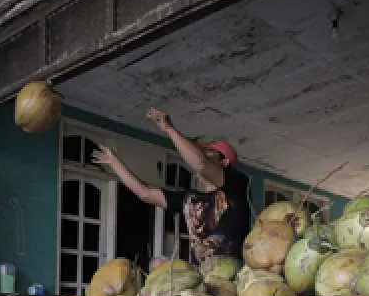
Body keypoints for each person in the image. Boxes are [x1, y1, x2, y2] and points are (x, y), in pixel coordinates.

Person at [91, 107, 252, 266]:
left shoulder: (236, 185)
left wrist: (168, 129)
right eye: (202, 153)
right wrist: (114, 162)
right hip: (204, 280)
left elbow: (201, 164)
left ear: (224, 163)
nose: (203, 157)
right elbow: (145, 194)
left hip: (233, 279)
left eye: (209, 155)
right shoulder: (190, 199)